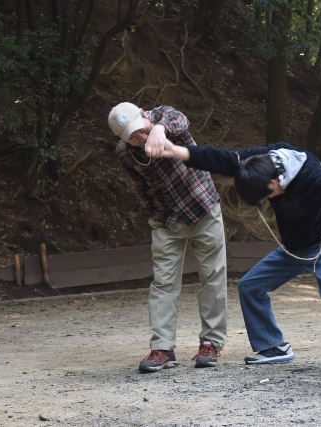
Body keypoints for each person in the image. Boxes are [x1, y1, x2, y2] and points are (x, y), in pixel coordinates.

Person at [150, 138, 321, 371]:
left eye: (268, 192)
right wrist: (176, 151)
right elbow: (223, 159)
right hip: (294, 247)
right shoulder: (260, 162)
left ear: (277, 179)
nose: (268, 198)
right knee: (250, 286)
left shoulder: (309, 178)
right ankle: (273, 346)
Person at [108, 102, 227, 372]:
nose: (141, 138)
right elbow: (140, 186)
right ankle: (162, 348)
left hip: (203, 207)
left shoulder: (166, 120)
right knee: (163, 283)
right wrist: (154, 215)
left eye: (142, 130)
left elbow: (177, 117)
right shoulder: (125, 152)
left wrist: (159, 129)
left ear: (143, 114)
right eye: (133, 137)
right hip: (166, 219)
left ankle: (211, 343)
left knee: (212, 276)